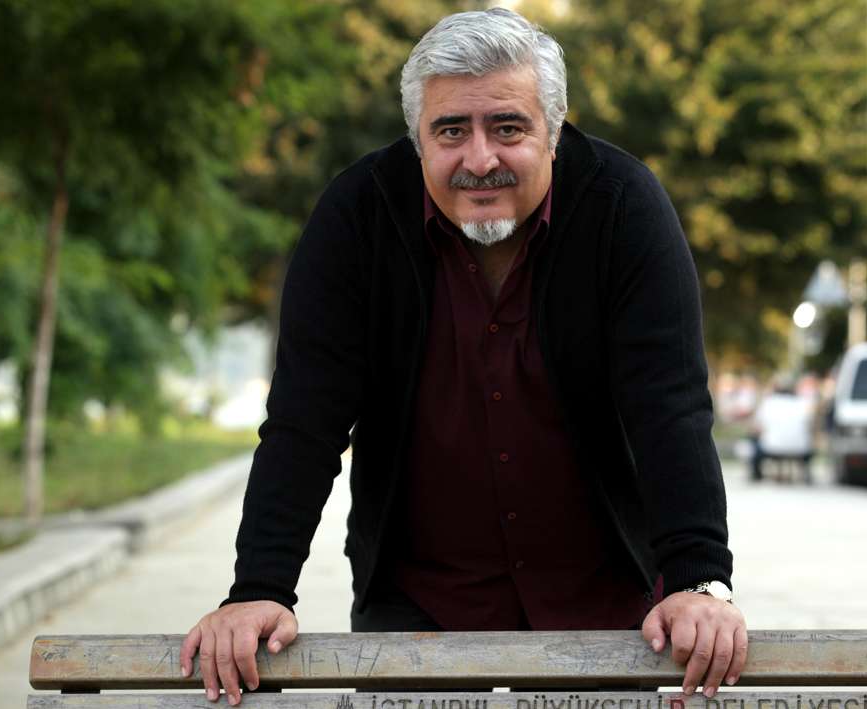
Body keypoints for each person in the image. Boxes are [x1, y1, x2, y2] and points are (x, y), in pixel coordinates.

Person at [181, 8, 747, 706]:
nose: (479, 160)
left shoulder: (624, 207)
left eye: (508, 128)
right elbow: (305, 420)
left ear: (554, 132)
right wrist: (259, 589)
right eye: (450, 131)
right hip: (418, 600)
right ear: (417, 139)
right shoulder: (357, 216)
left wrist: (698, 580)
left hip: (602, 597)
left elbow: (669, 406)